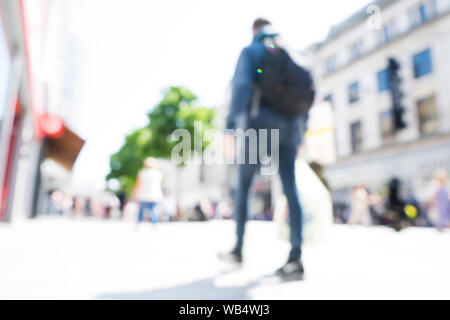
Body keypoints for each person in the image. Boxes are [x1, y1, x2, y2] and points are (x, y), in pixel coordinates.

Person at [219, 18, 313, 280]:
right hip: (291, 128)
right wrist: (301, 133)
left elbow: (240, 88)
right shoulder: (293, 52)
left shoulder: (251, 51)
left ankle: (238, 248)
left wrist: (230, 129)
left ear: (253, 30)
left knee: (245, 185)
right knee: (290, 188)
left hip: (259, 126)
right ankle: (296, 257)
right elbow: (306, 95)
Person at [132, 157, 163, 224]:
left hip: (144, 195)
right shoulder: (158, 173)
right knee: (153, 210)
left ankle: (138, 223)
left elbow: (138, 184)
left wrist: (134, 193)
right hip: (155, 195)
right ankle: (154, 223)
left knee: (141, 210)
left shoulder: (142, 173)